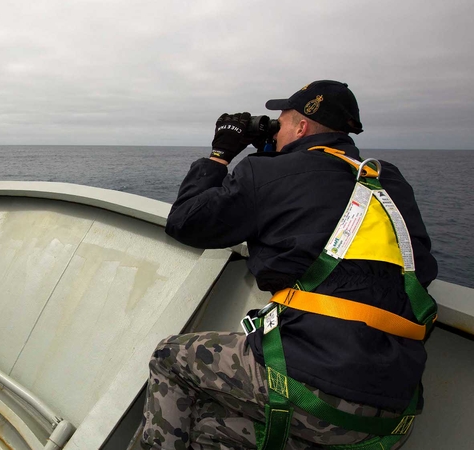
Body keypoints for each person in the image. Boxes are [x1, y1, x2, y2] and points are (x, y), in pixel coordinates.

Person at [139, 80, 437, 450]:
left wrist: (220, 155)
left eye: (280, 124)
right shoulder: (386, 179)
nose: (276, 130)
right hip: (394, 406)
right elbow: (422, 267)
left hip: (308, 385)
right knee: (214, 428)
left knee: (170, 357)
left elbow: (186, 221)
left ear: (301, 127)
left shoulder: (265, 175)